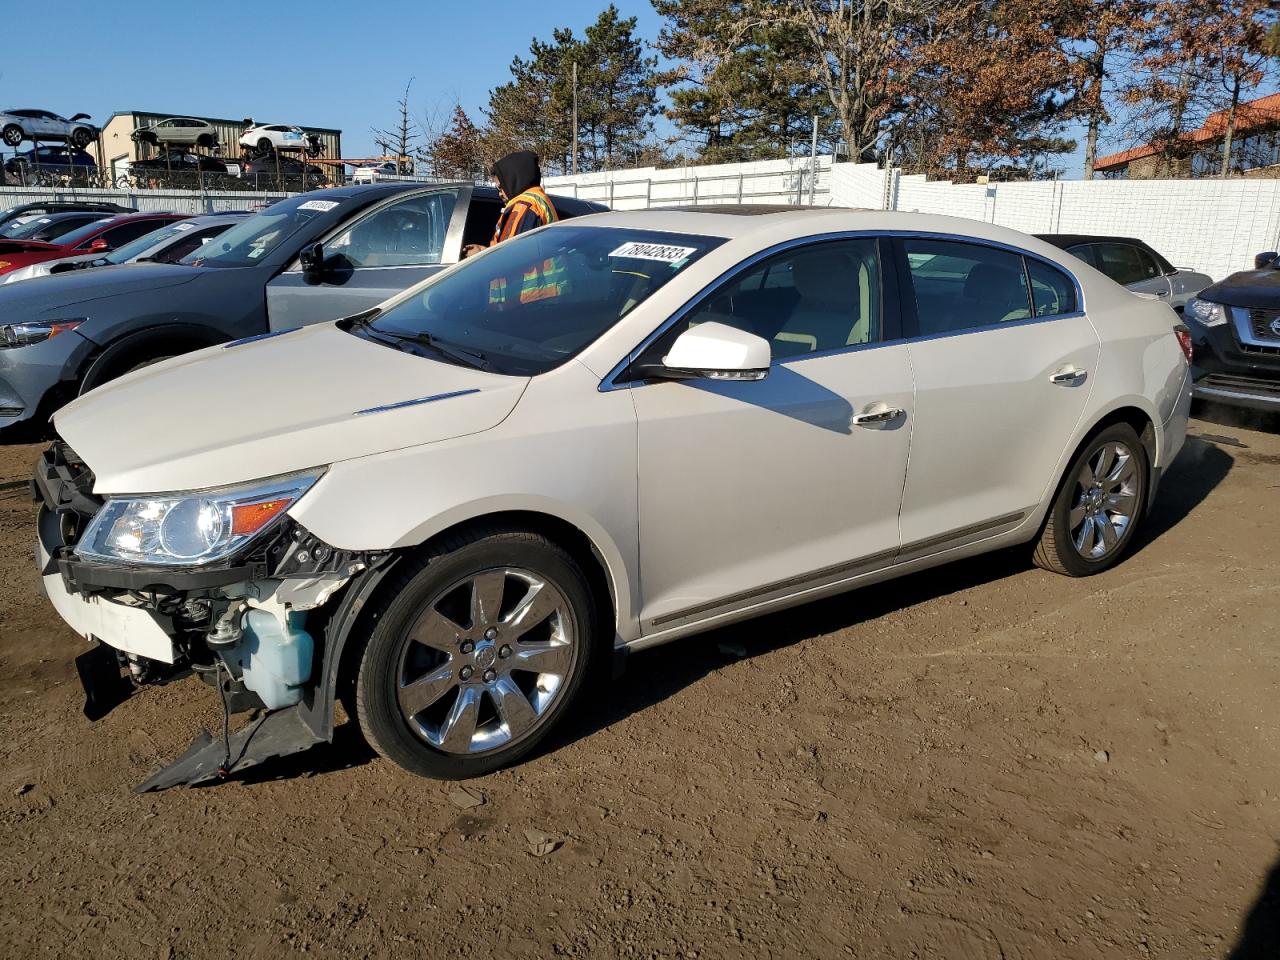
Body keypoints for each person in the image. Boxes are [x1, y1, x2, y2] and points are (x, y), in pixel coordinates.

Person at [462, 150, 558, 258]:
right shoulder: (539, 199)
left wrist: (480, 256)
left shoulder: (523, 206)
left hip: (528, 275)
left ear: (512, 180)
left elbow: (510, 257)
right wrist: (484, 250)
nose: (499, 193)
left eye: (500, 187)